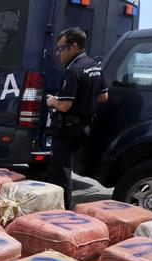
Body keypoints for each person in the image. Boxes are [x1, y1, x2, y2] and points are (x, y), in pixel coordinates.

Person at [46, 27, 108, 208]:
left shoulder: (73, 70)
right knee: (66, 168)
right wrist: (84, 99)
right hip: (85, 126)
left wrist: (52, 101)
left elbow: (65, 105)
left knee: (60, 172)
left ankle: (60, 210)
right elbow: (103, 96)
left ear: (73, 47)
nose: (58, 54)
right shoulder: (94, 66)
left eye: (61, 48)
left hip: (68, 128)